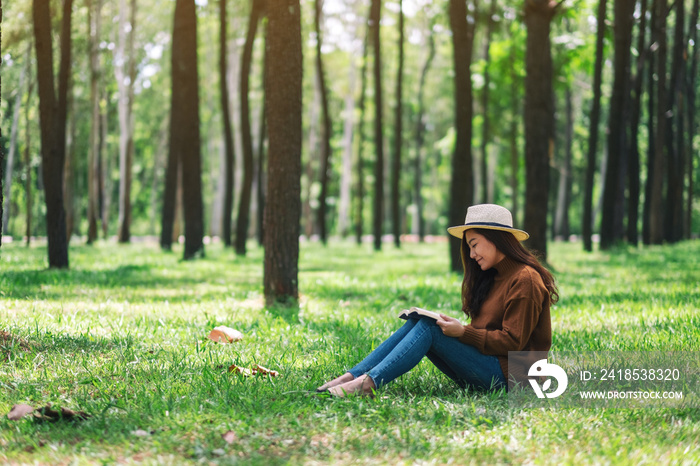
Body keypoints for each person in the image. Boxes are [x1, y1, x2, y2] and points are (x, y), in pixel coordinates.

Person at [316, 204, 559, 397]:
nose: (472, 255)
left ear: (496, 238)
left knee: (428, 329)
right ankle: (352, 376)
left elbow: (513, 343)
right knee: (418, 322)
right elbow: (486, 332)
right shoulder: (494, 276)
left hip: (516, 379)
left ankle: (367, 383)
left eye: (474, 245)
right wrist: (460, 329)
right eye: (469, 247)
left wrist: (463, 333)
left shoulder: (525, 279)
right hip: (492, 368)